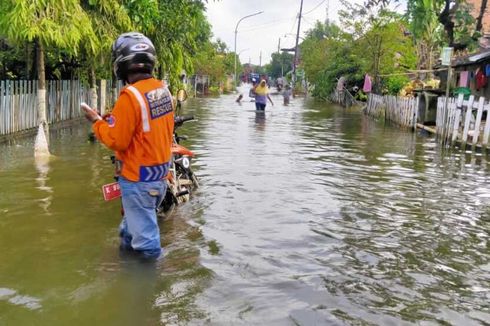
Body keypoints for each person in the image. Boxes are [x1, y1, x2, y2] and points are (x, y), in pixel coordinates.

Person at [82, 32, 174, 260]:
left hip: (139, 181)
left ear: (121, 63)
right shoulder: (162, 90)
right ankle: (125, 268)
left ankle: (148, 287)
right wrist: (110, 120)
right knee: (128, 232)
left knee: (146, 245)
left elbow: (116, 140)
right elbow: (145, 127)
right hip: (159, 178)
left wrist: (96, 122)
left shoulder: (130, 95)